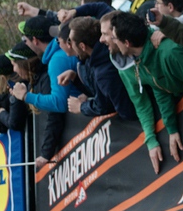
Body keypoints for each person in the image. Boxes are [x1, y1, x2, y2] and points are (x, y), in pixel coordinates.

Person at [110, 11, 183, 169]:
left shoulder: (170, 53)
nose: (112, 42)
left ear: (127, 43)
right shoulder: (141, 59)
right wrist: (172, 129)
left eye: (114, 38)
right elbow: (160, 89)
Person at [11, 15, 79, 169]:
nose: (26, 45)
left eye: (26, 41)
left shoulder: (57, 59)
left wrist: (26, 96)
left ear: (35, 40)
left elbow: (59, 104)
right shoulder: (55, 56)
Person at [65, 16, 136, 121]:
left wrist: (81, 107)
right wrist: (75, 79)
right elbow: (98, 92)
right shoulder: (96, 59)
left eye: (70, 41)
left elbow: (108, 106)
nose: (69, 46)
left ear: (82, 46)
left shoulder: (104, 71)